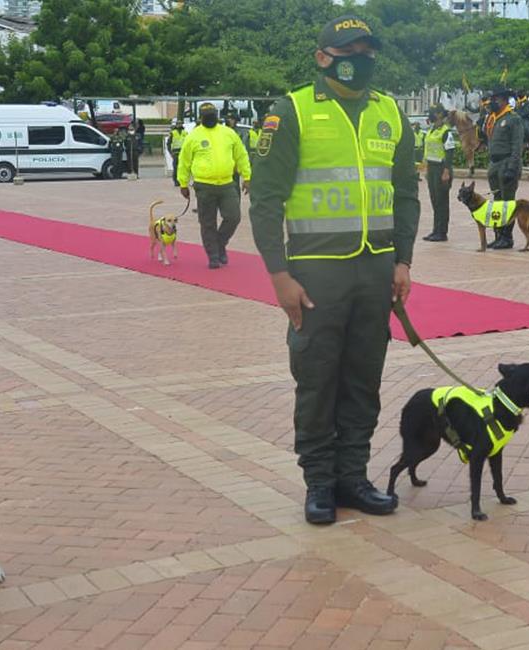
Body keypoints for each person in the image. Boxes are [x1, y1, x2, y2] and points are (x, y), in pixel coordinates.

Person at [249, 15, 418, 525]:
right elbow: (265, 201)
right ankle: (319, 482)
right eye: (350, 50)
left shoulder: (391, 112)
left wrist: (403, 260)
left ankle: (353, 477)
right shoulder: (292, 112)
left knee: (363, 380)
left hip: (375, 271)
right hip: (316, 273)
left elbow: (406, 194)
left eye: (367, 50)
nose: (359, 59)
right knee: (318, 379)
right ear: (323, 57)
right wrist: (279, 276)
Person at [177, 102, 251, 269]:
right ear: (201, 117)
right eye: (206, 115)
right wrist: (183, 183)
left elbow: (241, 156)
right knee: (207, 222)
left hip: (227, 184)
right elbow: (184, 161)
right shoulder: (193, 136)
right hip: (204, 185)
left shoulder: (228, 133)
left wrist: (247, 177)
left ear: (217, 116)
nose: (210, 117)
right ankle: (214, 255)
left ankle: (220, 243)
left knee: (233, 217)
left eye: (212, 114)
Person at [485, 88, 524, 249]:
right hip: (494, 164)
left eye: (496, 99)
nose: (493, 102)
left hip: (507, 163)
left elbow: (517, 145)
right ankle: (498, 235)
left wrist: (512, 167)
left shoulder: (513, 119)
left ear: (504, 100)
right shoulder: (493, 118)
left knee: (507, 203)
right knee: (497, 203)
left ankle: (507, 237)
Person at [421, 105, 456, 242]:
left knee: (442, 202)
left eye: (433, 113)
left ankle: (442, 232)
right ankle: (435, 230)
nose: (431, 115)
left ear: (440, 114)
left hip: (442, 169)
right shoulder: (431, 131)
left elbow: (450, 152)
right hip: (432, 169)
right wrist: (426, 168)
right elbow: (427, 151)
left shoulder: (446, 131)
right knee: (435, 201)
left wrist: (446, 171)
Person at [167, 118, 185, 187]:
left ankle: (182, 180)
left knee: (182, 167)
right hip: (175, 151)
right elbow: (169, 143)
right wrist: (170, 152)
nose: (179, 125)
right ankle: (176, 181)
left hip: (183, 151)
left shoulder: (185, 132)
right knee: (176, 167)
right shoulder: (173, 133)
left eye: (180, 124)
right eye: (178, 124)